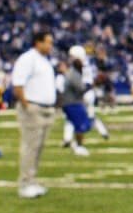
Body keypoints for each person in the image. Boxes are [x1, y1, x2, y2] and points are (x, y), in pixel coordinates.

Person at [10, 31, 57, 198]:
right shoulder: (28, 59)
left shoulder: (44, 61)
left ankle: (31, 180)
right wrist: (26, 105)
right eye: (48, 42)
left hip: (46, 108)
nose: (50, 46)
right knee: (30, 146)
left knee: (38, 147)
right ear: (38, 42)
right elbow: (18, 83)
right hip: (33, 107)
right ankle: (25, 184)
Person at [58, 45, 96, 155]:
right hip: (76, 98)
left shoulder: (78, 68)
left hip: (81, 96)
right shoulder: (75, 71)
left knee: (78, 121)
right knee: (80, 123)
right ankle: (73, 142)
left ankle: (69, 139)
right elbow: (81, 86)